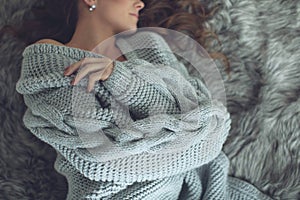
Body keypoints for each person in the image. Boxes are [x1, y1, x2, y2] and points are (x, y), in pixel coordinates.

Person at [15, 0, 273, 199]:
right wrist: (181, 136)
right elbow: (98, 152)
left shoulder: (150, 46)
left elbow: (210, 128)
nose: (140, 3)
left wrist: (120, 79)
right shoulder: (48, 56)